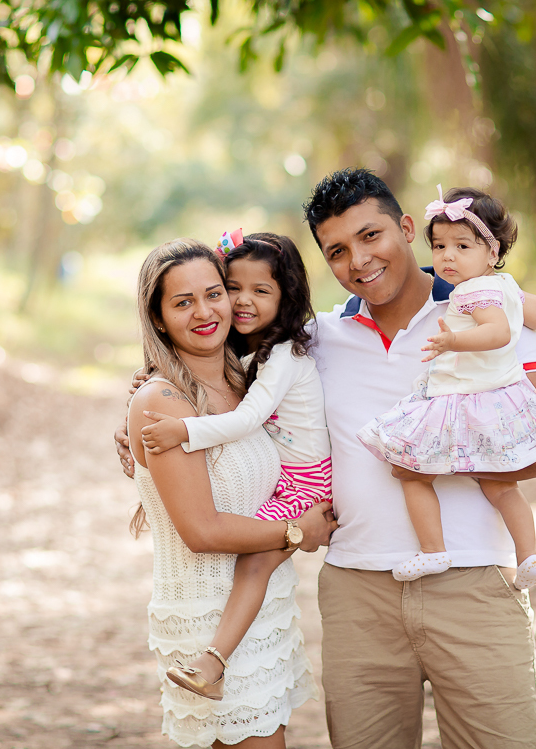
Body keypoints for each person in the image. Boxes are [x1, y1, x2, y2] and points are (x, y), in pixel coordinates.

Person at [118, 170, 536, 748]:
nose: (359, 260)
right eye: (337, 250)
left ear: (406, 229)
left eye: (371, 236)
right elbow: (205, 361)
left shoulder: (485, 319)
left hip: (475, 578)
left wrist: (437, 464)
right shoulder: (317, 339)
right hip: (357, 592)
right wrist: (134, 411)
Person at [126, 238, 335, 748]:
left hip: (264, 612)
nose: (205, 312)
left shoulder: (245, 378)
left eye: (214, 294)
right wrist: (296, 531)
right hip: (208, 618)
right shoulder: (162, 400)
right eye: (182, 302)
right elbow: (201, 531)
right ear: (157, 319)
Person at [357, 185, 536, 589]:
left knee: (408, 471)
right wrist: (516, 298)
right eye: (441, 246)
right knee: (502, 487)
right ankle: (528, 554)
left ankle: (433, 549)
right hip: (499, 400)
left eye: (463, 246)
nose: (448, 256)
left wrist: (453, 341)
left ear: (492, 252)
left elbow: (497, 332)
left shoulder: (469, 293)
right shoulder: (505, 288)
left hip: (462, 400)